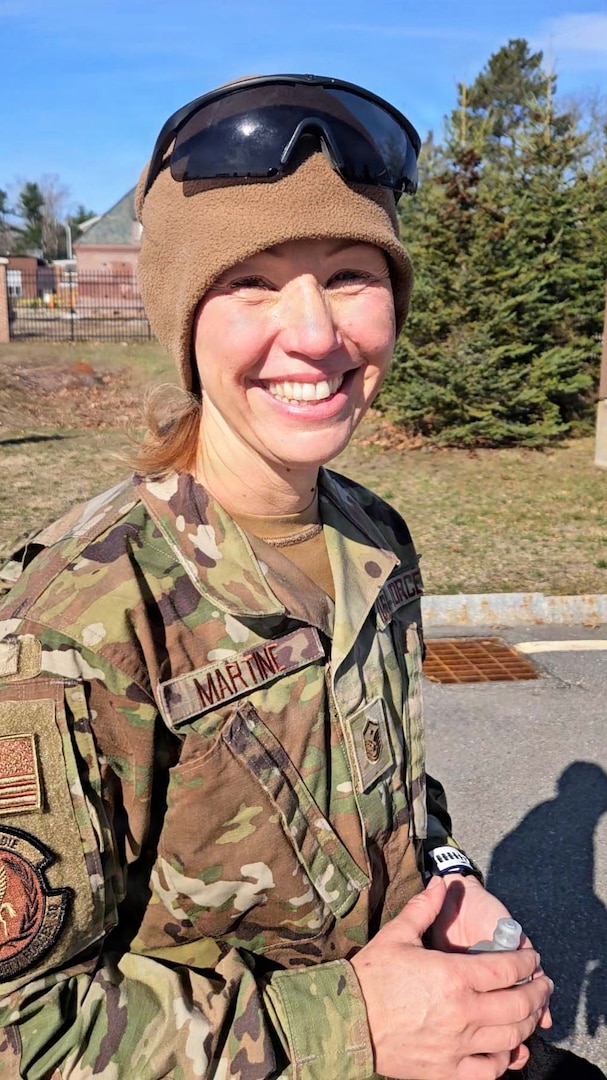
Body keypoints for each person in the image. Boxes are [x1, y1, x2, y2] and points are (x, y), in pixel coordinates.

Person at [0, 74, 554, 1080]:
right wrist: (352, 1027)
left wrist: (447, 875)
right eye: (252, 282)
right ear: (184, 321)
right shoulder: (82, 612)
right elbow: (18, 1026)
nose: (313, 334)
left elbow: (376, 778)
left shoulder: (371, 539)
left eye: (349, 274)